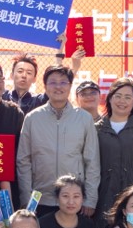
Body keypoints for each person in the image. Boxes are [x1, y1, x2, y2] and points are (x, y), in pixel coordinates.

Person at [16, 65, 100, 215]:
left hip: (73, 199)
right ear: (45, 86)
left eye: (63, 82)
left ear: (70, 86)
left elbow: (92, 161)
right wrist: (26, 197)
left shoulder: (84, 118)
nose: (58, 87)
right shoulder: (32, 118)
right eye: (53, 82)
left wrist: (90, 199)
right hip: (40, 198)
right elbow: (24, 160)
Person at [95, 78, 133, 227]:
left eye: (128, 97)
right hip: (105, 194)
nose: (122, 101)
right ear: (110, 98)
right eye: (118, 96)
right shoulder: (98, 129)